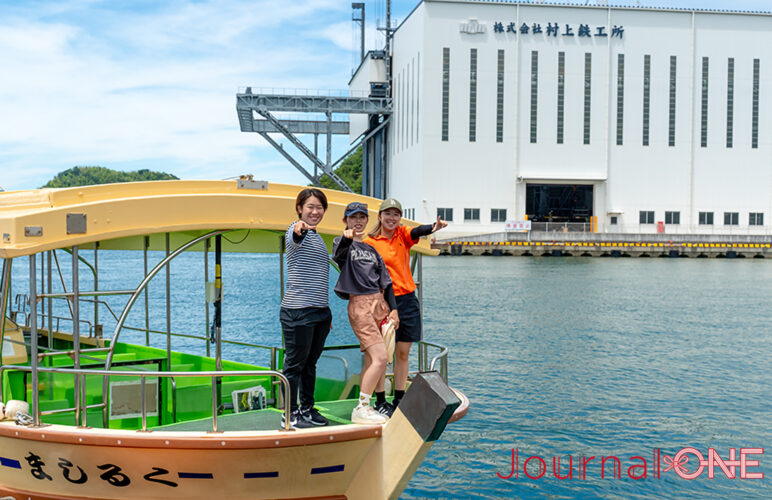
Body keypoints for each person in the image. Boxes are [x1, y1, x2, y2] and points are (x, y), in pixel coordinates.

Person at [365, 198, 447, 408]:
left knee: (403, 353)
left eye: (396, 214)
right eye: (387, 214)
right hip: (383, 302)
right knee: (382, 354)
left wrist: (433, 227)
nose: (391, 218)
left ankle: (400, 398)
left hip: (407, 301)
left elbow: (417, 231)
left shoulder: (402, 235)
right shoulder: (370, 243)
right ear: (380, 216)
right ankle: (381, 400)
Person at [333, 202, 400, 424]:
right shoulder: (343, 244)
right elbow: (339, 254)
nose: (358, 221)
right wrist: (347, 236)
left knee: (373, 358)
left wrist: (394, 311)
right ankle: (361, 407)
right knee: (381, 358)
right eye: (353, 217)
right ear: (346, 221)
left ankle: (371, 405)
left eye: (362, 217)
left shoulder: (372, 250)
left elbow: (387, 283)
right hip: (360, 304)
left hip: (380, 303)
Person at [279, 188, 332, 429]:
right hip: (298, 310)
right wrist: (300, 228)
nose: (315, 211)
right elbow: (296, 234)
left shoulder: (318, 237)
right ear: (300, 208)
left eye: (319, 207)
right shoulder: (295, 230)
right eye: (310, 206)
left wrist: (325, 312)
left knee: (310, 364)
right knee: (295, 364)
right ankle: (288, 413)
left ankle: (307, 408)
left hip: (319, 311)